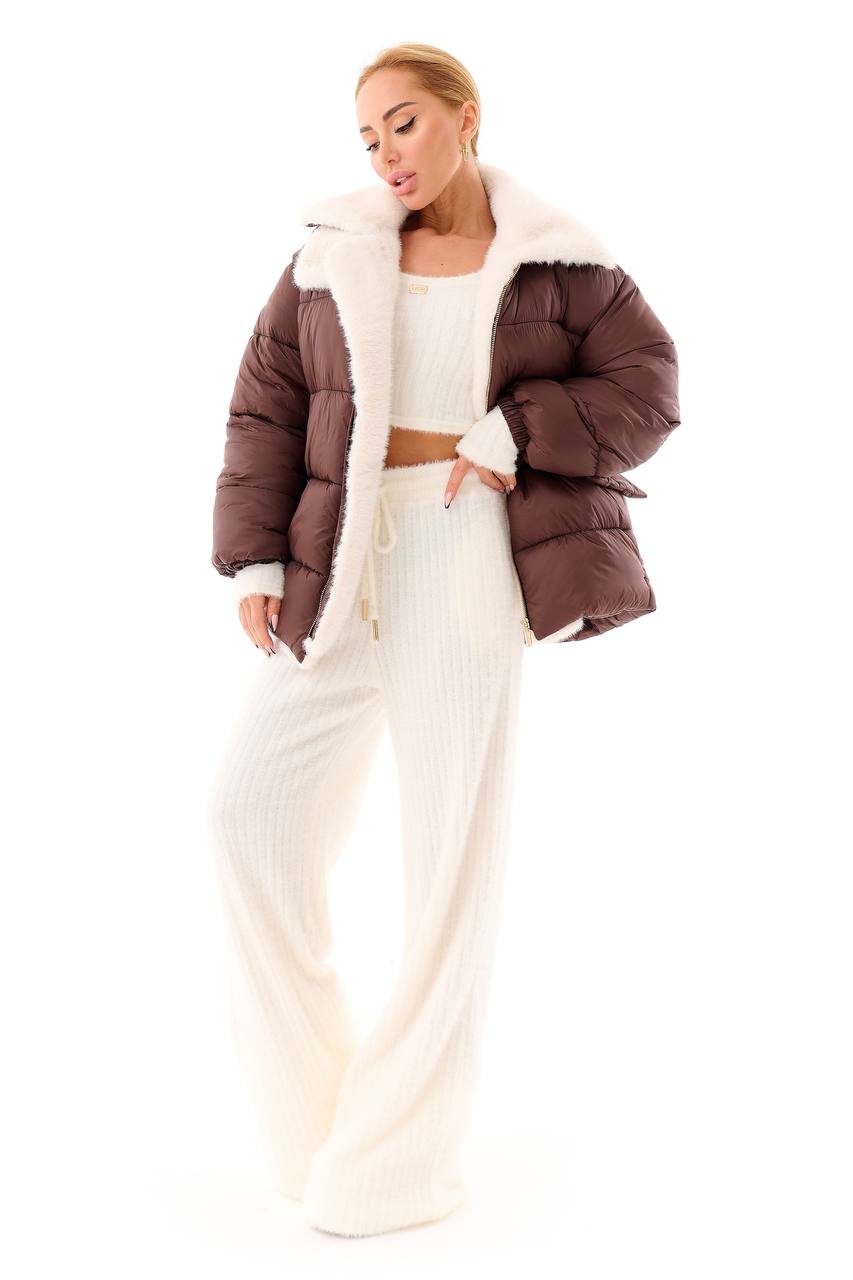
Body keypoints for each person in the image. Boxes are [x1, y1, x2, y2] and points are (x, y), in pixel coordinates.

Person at [207, 42, 680, 1239]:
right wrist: (256, 558)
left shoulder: (560, 261)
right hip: (342, 554)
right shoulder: (331, 254)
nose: (385, 154)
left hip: (464, 549)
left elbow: (648, 385)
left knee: (448, 863)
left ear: (466, 117)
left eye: (404, 123)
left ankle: (399, 1164)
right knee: (248, 810)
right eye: (368, 137)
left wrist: (519, 428)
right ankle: (318, 1122)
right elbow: (267, 401)